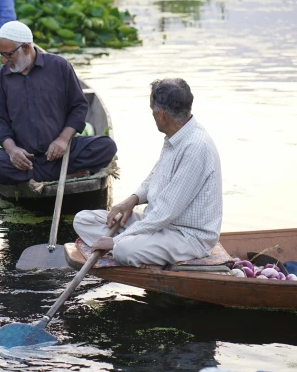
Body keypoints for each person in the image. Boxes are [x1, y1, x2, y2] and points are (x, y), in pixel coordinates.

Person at [73, 78, 223, 267]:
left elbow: (166, 212)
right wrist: (132, 200)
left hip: (186, 235)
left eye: (152, 109)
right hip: (158, 224)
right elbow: (156, 176)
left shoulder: (196, 147)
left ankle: (128, 245)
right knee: (83, 220)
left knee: (124, 249)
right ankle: (136, 243)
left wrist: (117, 241)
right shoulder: (176, 135)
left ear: (161, 114)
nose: (152, 114)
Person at [0, 20, 118, 185]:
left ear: (26, 48)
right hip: (26, 159)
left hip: (63, 153)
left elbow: (79, 106)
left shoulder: (59, 66)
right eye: (1, 54)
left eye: (8, 54)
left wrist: (62, 140)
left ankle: (43, 176)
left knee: (106, 146)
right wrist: (12, 150)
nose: (3, 61)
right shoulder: (0, 78)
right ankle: (65, 175)